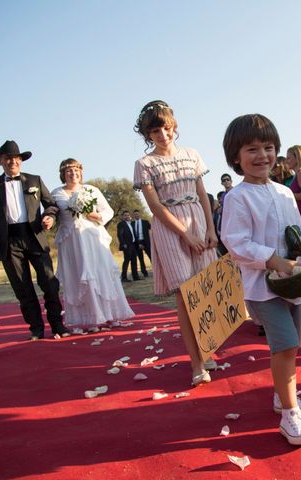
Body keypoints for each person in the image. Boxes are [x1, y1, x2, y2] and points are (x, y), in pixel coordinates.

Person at [221, 113, 301, 446]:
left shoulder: (284, 192)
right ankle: (289, 414)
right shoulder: (237, 197)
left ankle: (283, 396)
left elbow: (295, 233)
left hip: (292, 282)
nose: (262, 155)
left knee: (293, 343)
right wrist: (271, 259)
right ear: (236, 157)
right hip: (262, 287)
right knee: (285, 344)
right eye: (251, 149)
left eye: (268, 147)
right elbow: (235, 242)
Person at [133, 100, 218, 386]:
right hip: (170, 229)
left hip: (199, 221)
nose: (163, 134)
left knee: (205, 292)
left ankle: (207, 352)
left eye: (167, 128)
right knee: (185, 296)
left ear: (174, 127)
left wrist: (209, 229)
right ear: (148, 134)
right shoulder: (144, 164)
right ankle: (196, 365)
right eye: (156, 130)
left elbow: (203, 194)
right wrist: (185, 234)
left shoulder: (192, 155)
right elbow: (155, 207)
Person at [0, 140, 70, 340]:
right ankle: (36, 329)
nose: (13, 161)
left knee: (49, 283)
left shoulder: (34, 180)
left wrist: (50, 216)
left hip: (34, 236)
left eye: (16, 158)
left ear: (21, 160)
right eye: (8, 158)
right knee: (23, 288)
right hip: (8, 242)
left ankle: (58, 326)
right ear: (0, 161)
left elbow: (52, 205)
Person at [51, 159, 134, 332]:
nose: (73, 174)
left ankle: (111, 316)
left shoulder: (91, 190)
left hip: (93, 237)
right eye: (69, 171)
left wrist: (96, 215)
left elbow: (108, 211)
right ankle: (88, 320)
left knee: (102, 274)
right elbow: (52, 212)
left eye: (76, 170)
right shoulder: (57, 193)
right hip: (71, 241)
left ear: (81, 172)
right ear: (63, 174)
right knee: (78, 276)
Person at [117, 211, 139, 282]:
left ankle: (135, 276)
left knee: (134, 260)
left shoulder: (131, 224)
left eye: (128, 215)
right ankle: (124, 277)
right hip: (127, 245)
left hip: (133, 244)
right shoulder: (121, 224)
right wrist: (123, 244)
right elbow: (120, 235)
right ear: (122, 217)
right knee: (126, 261)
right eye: (125, 215)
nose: (127, 216)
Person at [132, 209, 151, 276]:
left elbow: (151, 229)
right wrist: (138, 243)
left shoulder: (145, 222)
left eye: (137, 214)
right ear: (133, 215)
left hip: (146, 241)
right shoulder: (132, 224)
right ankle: (144, 272)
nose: (136, 215)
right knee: (141, 258)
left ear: (140, 214)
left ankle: (156, 271)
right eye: (135, 214)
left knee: (151, 256)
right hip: (137, 242)